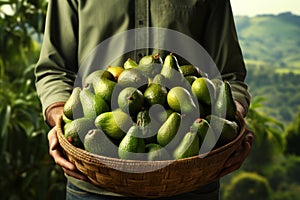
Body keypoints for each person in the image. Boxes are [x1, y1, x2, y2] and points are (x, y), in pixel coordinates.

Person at [35, 0, 254, 199]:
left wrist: (232, 122)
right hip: (94, 184)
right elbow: (54, 70)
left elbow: (229, 77)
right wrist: (61, 120)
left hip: (189, 182)